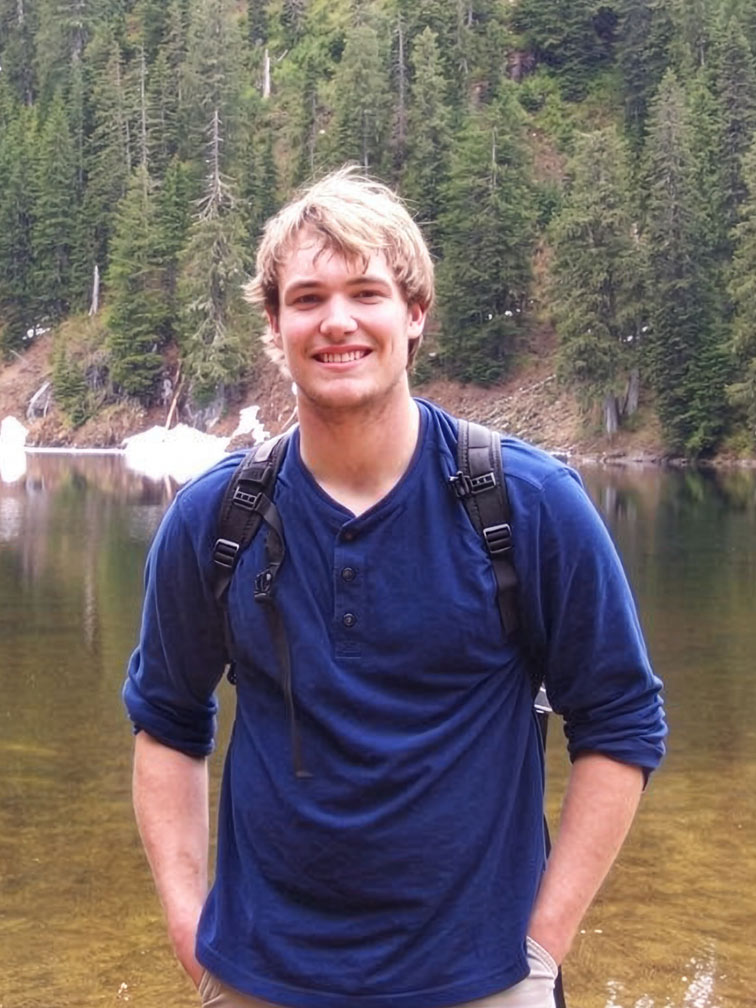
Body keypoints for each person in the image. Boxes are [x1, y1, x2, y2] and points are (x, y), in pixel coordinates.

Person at [124, 166, 667, 1008]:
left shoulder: (527, 505)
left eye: (366, 292)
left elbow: (622, 724)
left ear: (414, 315)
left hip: (483, 982)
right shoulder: (214, 520)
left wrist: (540, 951)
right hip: (261, 979)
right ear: (275, 326)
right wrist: (187, 922)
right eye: (307, 299)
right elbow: (167, 722)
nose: (337, 321)